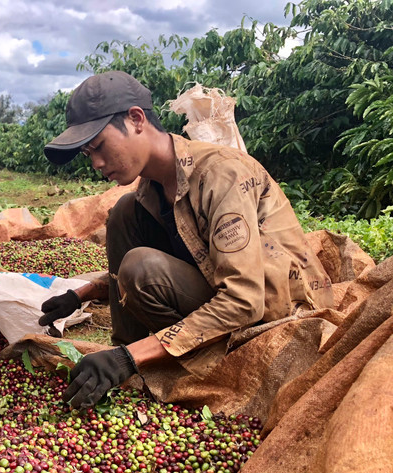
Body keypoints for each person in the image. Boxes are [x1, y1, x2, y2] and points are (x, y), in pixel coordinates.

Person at [39, 71, 333, 410]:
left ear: (136, 119)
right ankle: (133, 366)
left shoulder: (221, 175)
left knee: (141, 266)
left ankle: (145, 359)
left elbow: (244, 301)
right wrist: (80, 295)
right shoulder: (150, 192)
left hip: (275, 315)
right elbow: (188, 264)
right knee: (123, 213)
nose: (96, 163)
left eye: (100, 147)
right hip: (221, 297)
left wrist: (127, 357)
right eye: (88, 154)